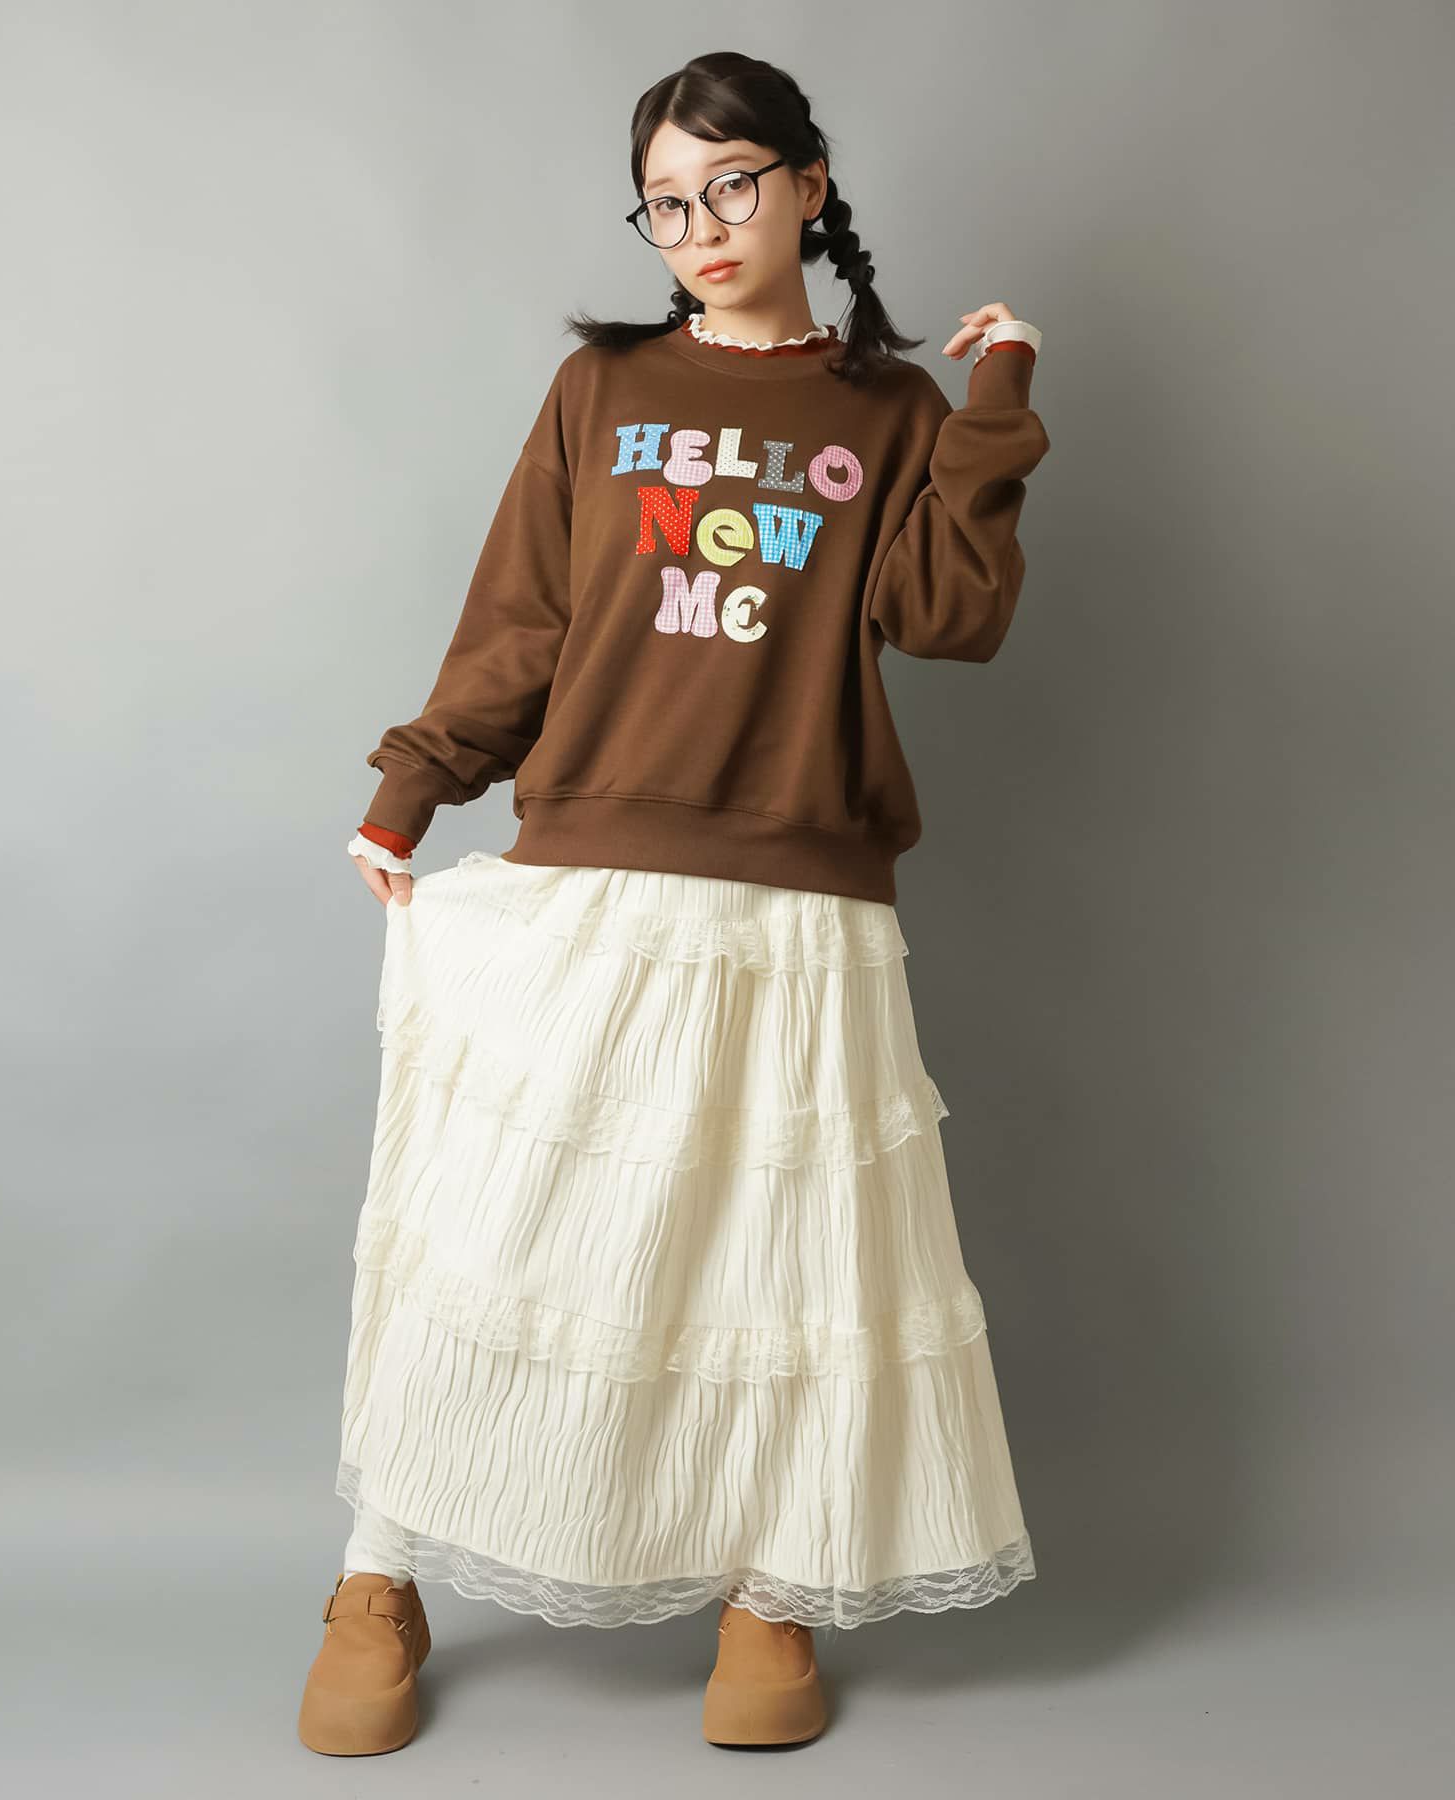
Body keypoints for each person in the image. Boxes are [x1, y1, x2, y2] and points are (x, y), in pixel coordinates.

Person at [298, 48, 1050, 1756]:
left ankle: (771, 1591)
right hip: (598, 867)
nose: (700, 226)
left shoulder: (892, 412)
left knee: (782, 1263)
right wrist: (416, 780)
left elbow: (950, 617)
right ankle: (381, 1574)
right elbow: (526, 619)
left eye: (731, 185)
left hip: (802, 891)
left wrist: (997, 393)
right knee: (503, 1233)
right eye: (665, 202)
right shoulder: (605, 388)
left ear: (807, 185)